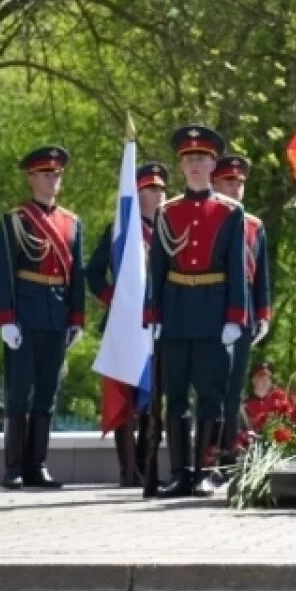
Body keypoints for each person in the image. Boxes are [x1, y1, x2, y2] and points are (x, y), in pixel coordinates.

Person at [146, 125, 248, 497]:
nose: (195, 165)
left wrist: (236, 316)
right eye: (189, 159)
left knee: (210, 397)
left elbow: (237, 267)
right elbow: (157, 268)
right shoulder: (167, 212)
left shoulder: (230, 212)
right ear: (182, 165)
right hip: (175, 313)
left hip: (212, 312)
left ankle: (205, 470)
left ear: (212, 164)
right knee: (175, 396)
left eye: (202, 159)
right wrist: (152, 315)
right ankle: (179, 471)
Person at [0, 145, 85, 489]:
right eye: (46, 174)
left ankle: (37, 464)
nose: (53, 180)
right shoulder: (14, 221)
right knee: (19, 392)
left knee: (47, 392)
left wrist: (76, 319)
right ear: (31, 178)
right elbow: (4, 274)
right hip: (25, 317)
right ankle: (14, 466)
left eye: (57, 174)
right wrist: (5, 319)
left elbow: (76, 276)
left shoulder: (71, 223)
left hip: (55, 317)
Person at [86, 162, 169, 486]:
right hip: (125, 325)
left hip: (158, 324)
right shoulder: (121, 230)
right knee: (125, 397)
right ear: (138, 194)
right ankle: (128, 471)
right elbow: (93, 272)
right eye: (151, 189)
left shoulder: (171, 229)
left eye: (162, 189)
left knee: (154, 396)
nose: (158, 194)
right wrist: (116, 301)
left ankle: (147, 468)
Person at [211, 154, 272, 471]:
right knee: (210, 387)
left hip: (244, 310)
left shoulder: (254, 225)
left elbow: (260, 274)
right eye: (228, 182)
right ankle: (207, 458)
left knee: (233, 389)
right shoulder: (210, 219)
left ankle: (228, 456)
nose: (235, 188)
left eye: (239, 183)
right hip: (212, 306)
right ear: (214, 183)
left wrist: (263, 313)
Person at [242, 362, 276, 433]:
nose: (266, 378)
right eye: (262, 375)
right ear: (253, 380)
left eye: (269, 376)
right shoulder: (244, 405)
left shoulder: (277, 403)